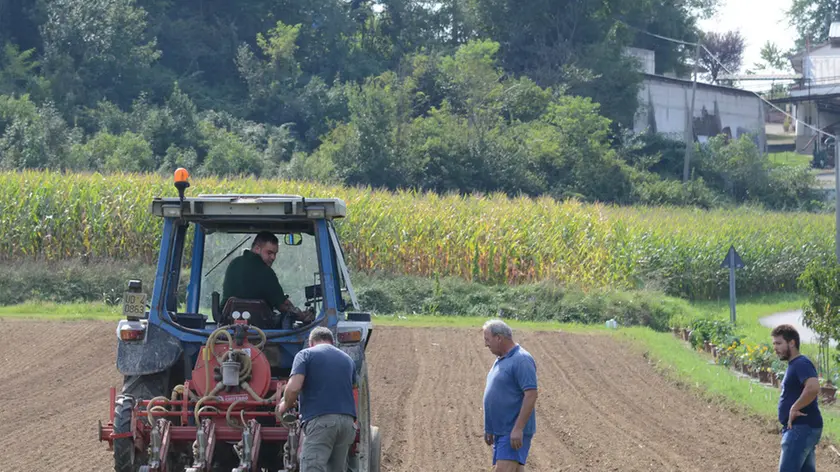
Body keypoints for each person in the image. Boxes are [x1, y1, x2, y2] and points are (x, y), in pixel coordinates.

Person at [277, 327, 358, 472]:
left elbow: (294, 388)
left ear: (311, 342)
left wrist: (285, 405)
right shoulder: (348, 360)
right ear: (332, 342)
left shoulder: (305, 355)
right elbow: (352, 387)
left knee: (312, 467)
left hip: (322, 422)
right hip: (347, 424)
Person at [221, 231, 314, 328]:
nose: (273, 257)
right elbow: (283, 305)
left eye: (275, 254)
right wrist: (301, 315)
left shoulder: (234, 264)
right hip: (261, 329)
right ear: (257, 249)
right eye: (269, 253)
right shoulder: (266, 272)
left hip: (227, 325)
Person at [482, 319, 538, 472]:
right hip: (502, 431)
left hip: (512, 430)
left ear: (499, 338)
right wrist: (490, 427)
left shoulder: (522, 360)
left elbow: (531, 395)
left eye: (487, 339)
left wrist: (518, 429)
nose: (486, 344)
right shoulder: (501, 360)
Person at [772, 323, 823, 472]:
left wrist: (794, 407)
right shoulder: (794, 364)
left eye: (779, 343)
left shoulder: (801, 363)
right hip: (803, 428)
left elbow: (813, 387)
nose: (775, 348)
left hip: (801, 428)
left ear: (792, 343)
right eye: (774, 343)